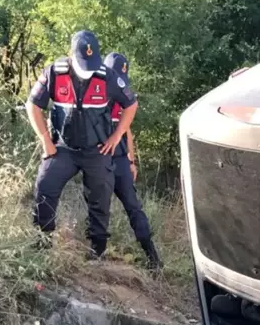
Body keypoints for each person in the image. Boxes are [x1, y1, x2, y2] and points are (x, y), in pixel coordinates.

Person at [26, 30, 138, 259]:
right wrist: (46, 141)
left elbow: (131, 104)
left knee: (101, 198)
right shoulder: (54, 73)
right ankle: (42, 244)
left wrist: (117, 136)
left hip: (97, 150)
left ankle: (97, 252)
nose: (87, 69)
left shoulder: (107, 76)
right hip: (63, 148)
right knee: (45, 187)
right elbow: (32, 105)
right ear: (71, 55)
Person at [103, 52, 161, 271]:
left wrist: (131, 161)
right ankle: (96, 256)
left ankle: (153, 259)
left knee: (134, 208)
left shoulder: (122, 97)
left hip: (119, 161)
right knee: (99, 209)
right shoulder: (95, 93)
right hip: (99, 162)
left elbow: (127, 132)